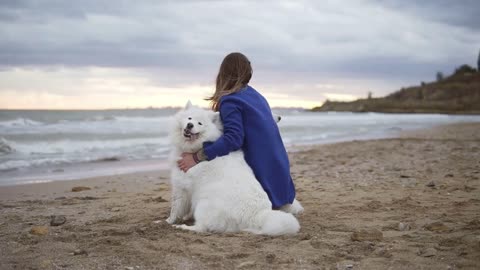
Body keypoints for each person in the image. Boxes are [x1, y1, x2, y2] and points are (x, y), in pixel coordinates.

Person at [177, 52, 297, 210]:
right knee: (218, 147)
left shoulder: (230, 100)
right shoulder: (256, 95)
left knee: (216, 154)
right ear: (248, 74)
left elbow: (234, 139)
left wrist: (197, 157)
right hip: (282, 183)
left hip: (265, 189)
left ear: (223, 73)